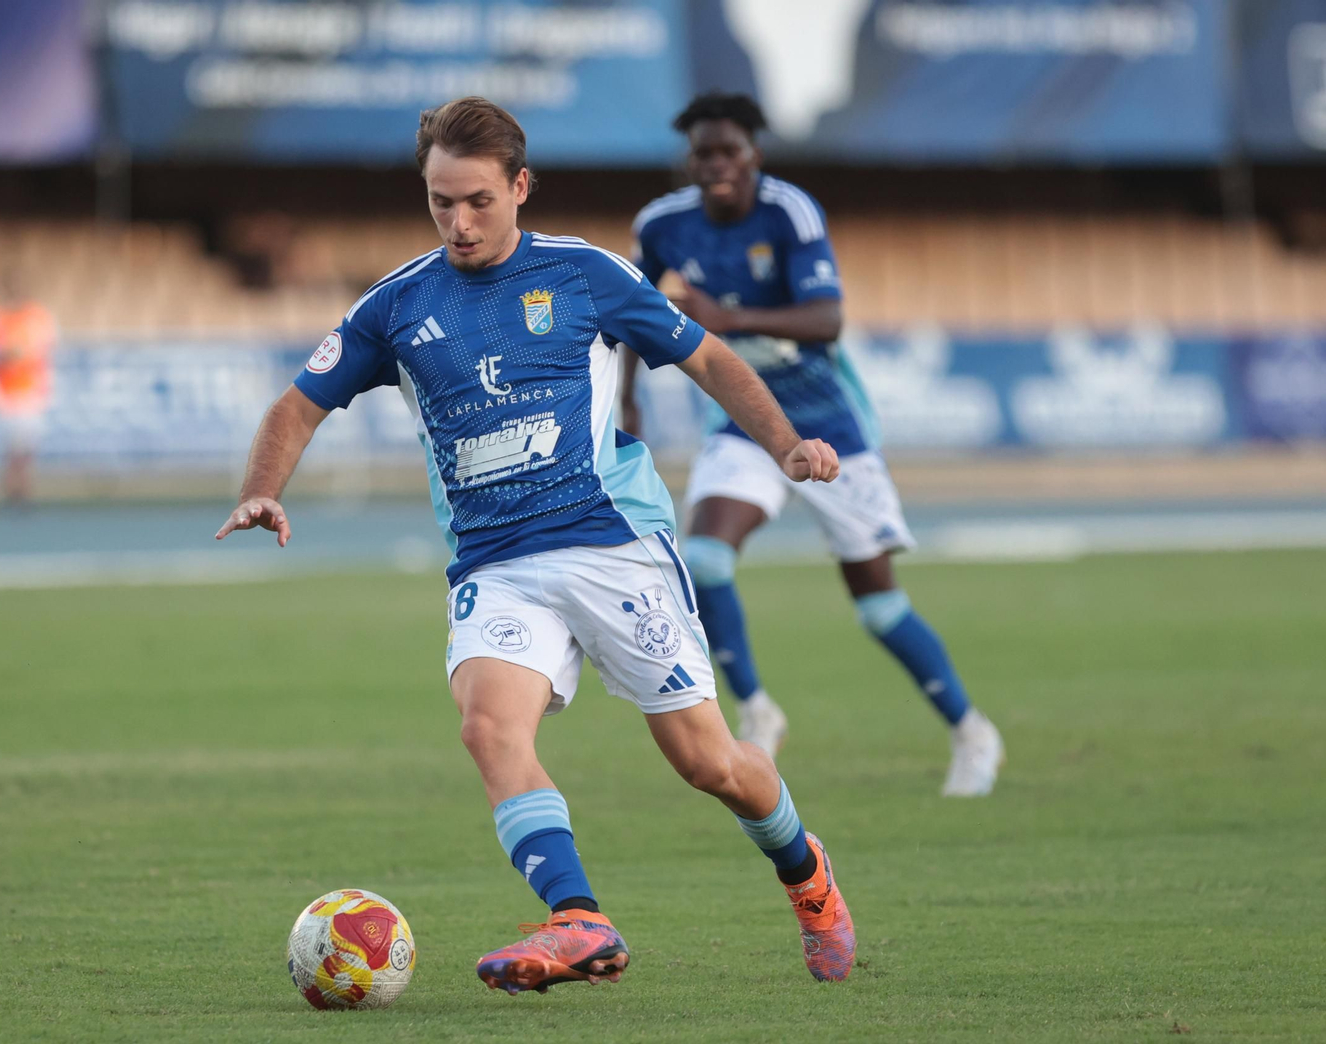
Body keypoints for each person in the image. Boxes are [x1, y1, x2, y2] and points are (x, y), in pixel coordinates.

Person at [217, 97, 856, 990]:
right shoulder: (397, 304)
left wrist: (783, 442)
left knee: (708, 763)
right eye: (441, 201)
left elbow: (708, 356)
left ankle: (808, 877)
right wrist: (261, 491)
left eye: (478, 199)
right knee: (487, 729)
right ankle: (579, 918)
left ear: (520, 187)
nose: (459, 221)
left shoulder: (585, 274)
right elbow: (297, 404)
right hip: (494, 563)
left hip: (610, 543)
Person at [624, 93, 1004, 795]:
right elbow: (627, 312)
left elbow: (827, 319)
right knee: (704, 558)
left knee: (879, 607)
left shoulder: (789, 212)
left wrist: (725, 317)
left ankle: (971, 729)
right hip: (742, 422)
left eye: (728, 152)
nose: (715, 166)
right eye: (702, 154)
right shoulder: (661, 226)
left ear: (754, 156)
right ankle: (758, 712)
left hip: (827, 426)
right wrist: (627, 402)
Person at [0, 269, 55, 505]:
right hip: (5, 391)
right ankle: (11, 489)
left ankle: (24, 489)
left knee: (28, 448)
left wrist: (18, 354)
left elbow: (42, 348)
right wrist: (15, 354)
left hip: (31, 389)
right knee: (11, 447)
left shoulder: (38, 316)